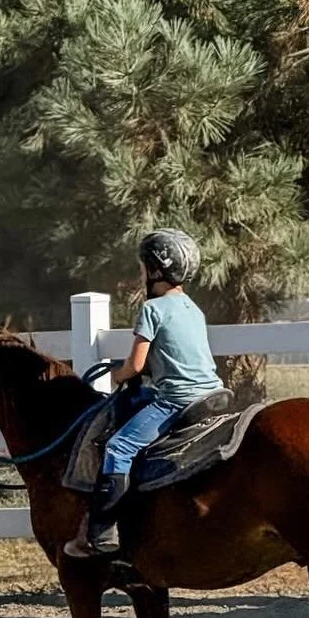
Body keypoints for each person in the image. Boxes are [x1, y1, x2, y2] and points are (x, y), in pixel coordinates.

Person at [63, 229, 224, 559]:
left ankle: (101, 532)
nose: (141, 273)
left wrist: (113, 374)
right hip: (211, 391)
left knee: (118, 447)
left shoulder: (153, 309)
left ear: (155, 270)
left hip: (176, 399)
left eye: (143, 267)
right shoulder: (193, 308)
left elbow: (135, 365)